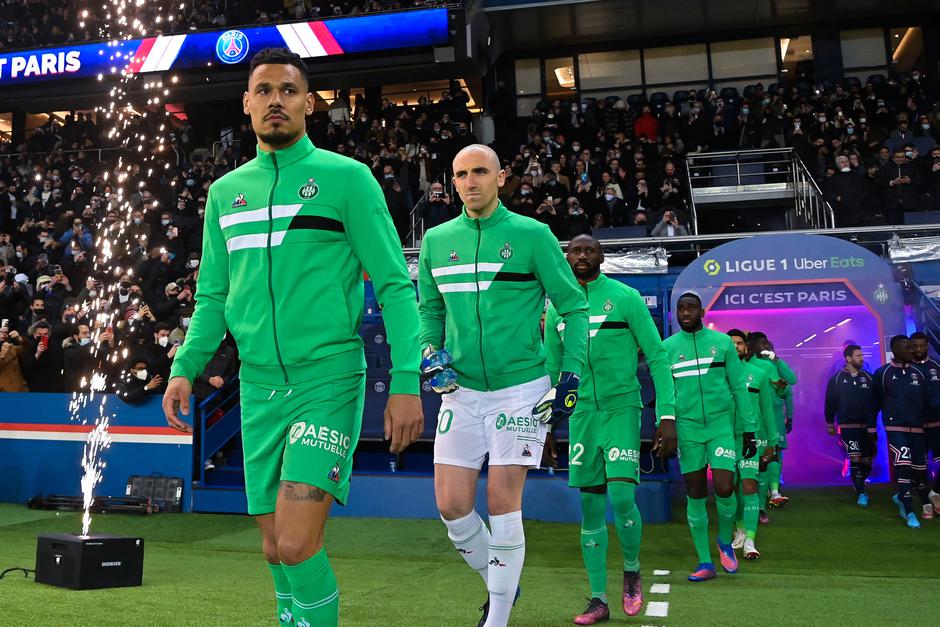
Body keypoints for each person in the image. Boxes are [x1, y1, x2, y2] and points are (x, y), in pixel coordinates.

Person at [161, 48, 424, 627]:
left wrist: (407, 381)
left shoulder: (347, 180)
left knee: (299, 544)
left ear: (309, 103)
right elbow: (211, 297)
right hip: (257, 389)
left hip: (327, 379)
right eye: (264, 90)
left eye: (287, 89)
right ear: (247, 104)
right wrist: (187, 365)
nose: (275, 99)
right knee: (274, 546)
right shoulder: (225, 193)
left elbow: (396, 287)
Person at [418, 143, 588, 627]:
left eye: (479, 172)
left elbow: (573, 308)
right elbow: (430, 311)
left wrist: (568, 375)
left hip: (521, 391)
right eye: (460, 174)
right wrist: (430, 354)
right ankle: (504, 584)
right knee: (452, 506)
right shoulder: (436, 241)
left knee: (500, 502)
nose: (470, 182)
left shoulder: (533, 235)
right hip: (461, 393)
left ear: (501, 176)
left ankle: (497, 617)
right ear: (452, 182)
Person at [543, 234, 676, 624]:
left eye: (589, 250)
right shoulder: (557, 309)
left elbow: (657, 356)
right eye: (575, 251)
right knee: (589, 506)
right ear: (566, 258)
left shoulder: (625, 297)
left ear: (601, 256)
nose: (582, 256)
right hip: (583, 415)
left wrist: (666, 414)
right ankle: (598, 598)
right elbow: (554, 372)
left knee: (620, 498)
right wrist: (549, 424)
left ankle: (632, 570)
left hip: (621, 409)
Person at [663, 292, 756, 581]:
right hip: (688, 429)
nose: (686, 312)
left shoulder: (722, 343)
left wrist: (750, 429)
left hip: (720, 427)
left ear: (702, 311)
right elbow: (665, 392)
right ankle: (705, 562)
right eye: (681, 308)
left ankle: (725, 540)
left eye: (691, 308)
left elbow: (739, 387)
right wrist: (664, 425)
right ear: (675, 313)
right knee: (695, 491)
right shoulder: (666, 348)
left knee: (726, 487)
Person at [873, 336, 935, 529]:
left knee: (920, 471)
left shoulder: (918, 373)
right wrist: (871, 428)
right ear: (896, 349)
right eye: (907, 347)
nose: (912, 350)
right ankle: (910, 512)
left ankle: (901, 497)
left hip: (918, 429)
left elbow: (928, 402)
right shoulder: (883, 373)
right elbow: (875, 402)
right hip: (896, 428)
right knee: (904, 467)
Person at [727, 330, 778, 560]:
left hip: (750, 439)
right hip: (724, 439)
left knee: (749, 486)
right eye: (731, 343)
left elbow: (767, 410)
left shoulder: (758, 374)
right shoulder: (716, 376)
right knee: (730, 488)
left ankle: (749, 539)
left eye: (739, 343)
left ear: (746, 347)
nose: (736, 346)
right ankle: (738, 529)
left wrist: (771, 441)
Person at [824, 344, 879, 507]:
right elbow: (830, 402)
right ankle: (861, 493)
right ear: (848, 358)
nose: (862, 358)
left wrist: (873, 424)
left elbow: (875, 402)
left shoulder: (869, 378)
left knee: (867, 461)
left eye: (862, 356)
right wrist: (829, 423)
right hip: (847, 426)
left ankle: (859, 481)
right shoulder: (837, 379)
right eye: (858, 356)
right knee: (855, 457)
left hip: (866, 427)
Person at [749, 332, 796, 509]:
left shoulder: (772, 365)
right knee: (756, 455)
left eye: (767, 343)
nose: (766, 346)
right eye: (762, 343)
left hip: (773, 415)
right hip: (751, 417)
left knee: (774, 451)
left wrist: (789, 415)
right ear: (752, 346)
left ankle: (774, 490)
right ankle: (759, 494)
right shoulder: (746, 365)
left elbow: (790, 383)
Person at [909, 331, 940, 516]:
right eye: (915, 346)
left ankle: (935, 492)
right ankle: (925, 504)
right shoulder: (905, 368)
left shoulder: (937, 365)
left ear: (927, 346)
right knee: (919, 469)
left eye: (922, 345)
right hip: (916, 427)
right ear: (910, 347)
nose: (918, 349)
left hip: (937, 424)